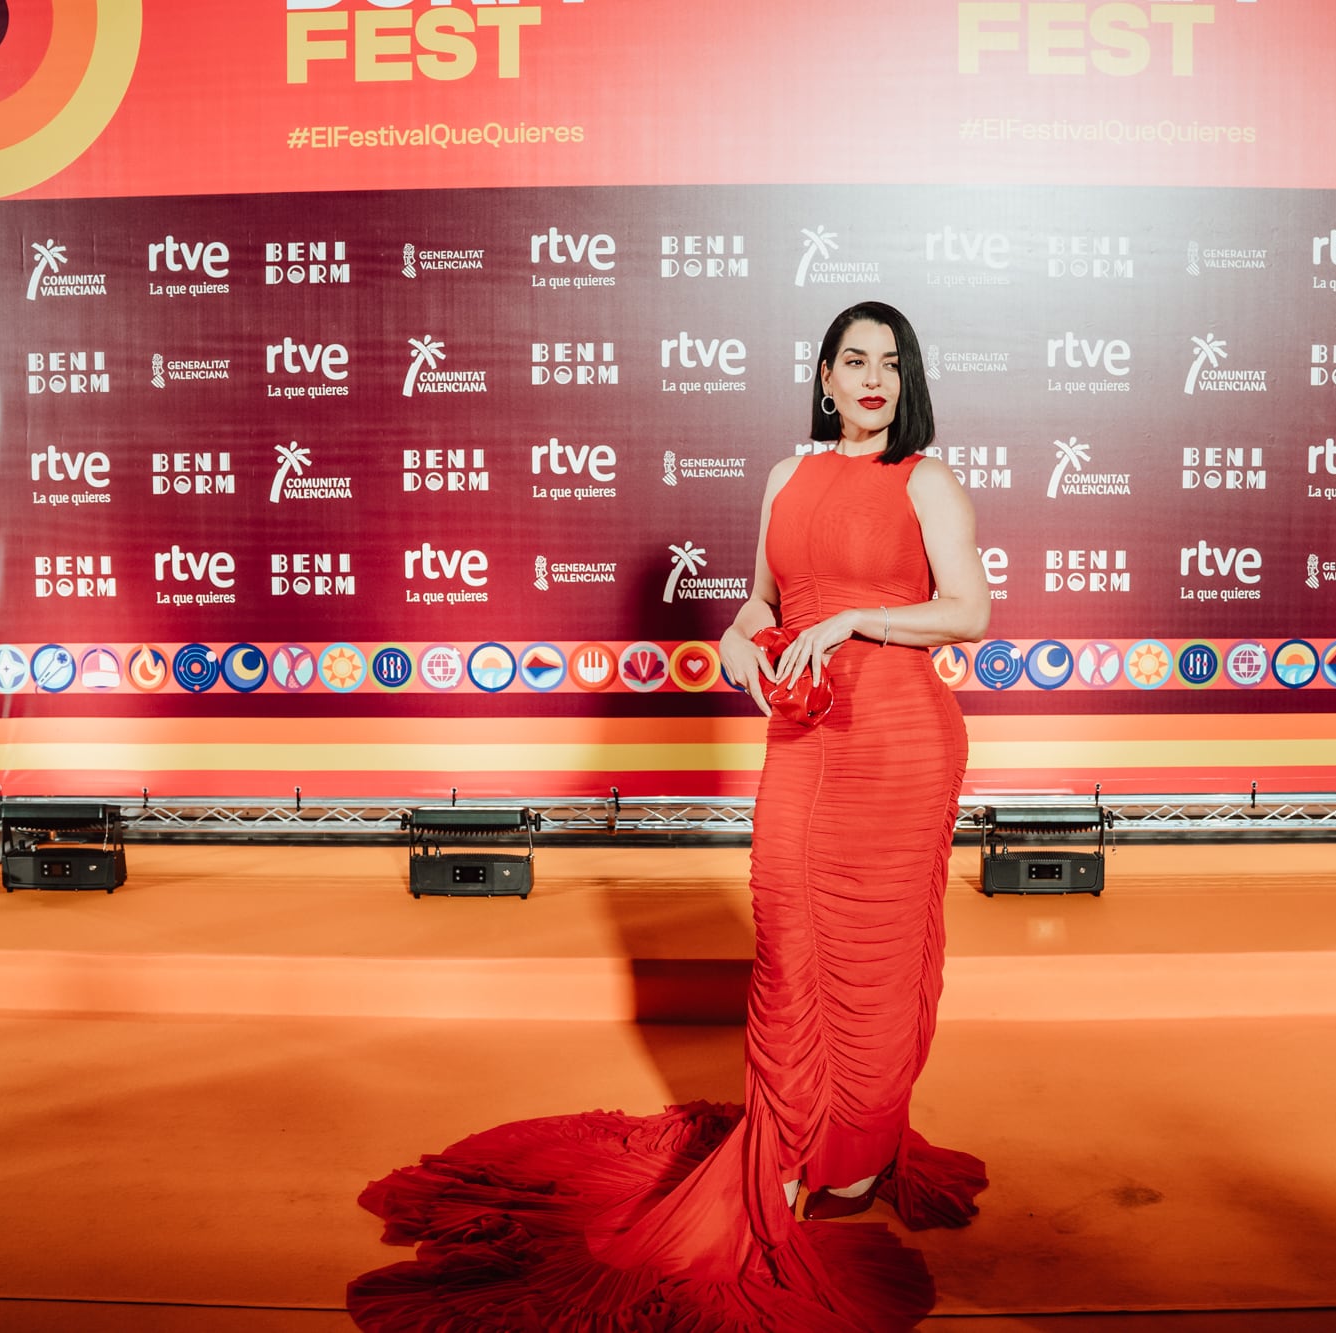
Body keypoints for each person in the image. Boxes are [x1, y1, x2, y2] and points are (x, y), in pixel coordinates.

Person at [347, 302, 990, 1331]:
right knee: (788, 945)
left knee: (875, 952)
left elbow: (968, 609)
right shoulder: (786, 479)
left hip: (899, 739)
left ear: (906, 381)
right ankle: (782, 1150)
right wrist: (741, 641)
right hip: (803, 734)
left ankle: (854, 1153)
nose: (871, 378)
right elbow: (759, 602)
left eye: (890, 362)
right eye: (852, 360)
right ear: (823, 377)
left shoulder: (929, 481)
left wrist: (858, 617)